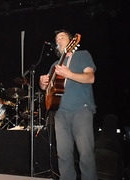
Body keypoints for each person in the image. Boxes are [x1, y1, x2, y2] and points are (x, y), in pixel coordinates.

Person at [39, 29, 97, 180]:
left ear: (72, 42)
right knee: (63, 155)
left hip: (81, 110)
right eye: (57, 39)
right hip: (60, 112)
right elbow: (48, 89)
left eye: (62, 37)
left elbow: (90, 78)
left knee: (85, 153)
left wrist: (69, 74)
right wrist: (43, 83)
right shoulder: (54, 65)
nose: (58, 40)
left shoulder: (82, 55)